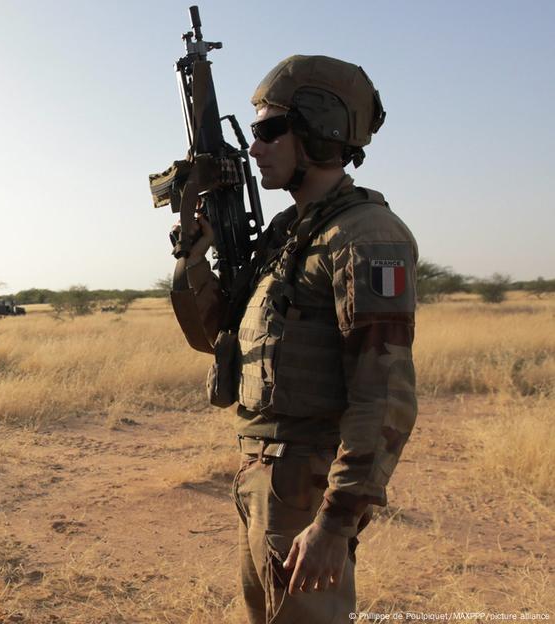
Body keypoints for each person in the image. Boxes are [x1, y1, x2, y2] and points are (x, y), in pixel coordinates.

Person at [171, 55, 417, 623]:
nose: (254, 148)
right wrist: (194, 258)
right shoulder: (287, 235)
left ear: (319, 127)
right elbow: (216, 339)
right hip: (261, 475)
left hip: (306, 485)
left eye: (267, 130)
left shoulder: (364, 235)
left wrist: (336, 522)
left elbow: (384, 394)